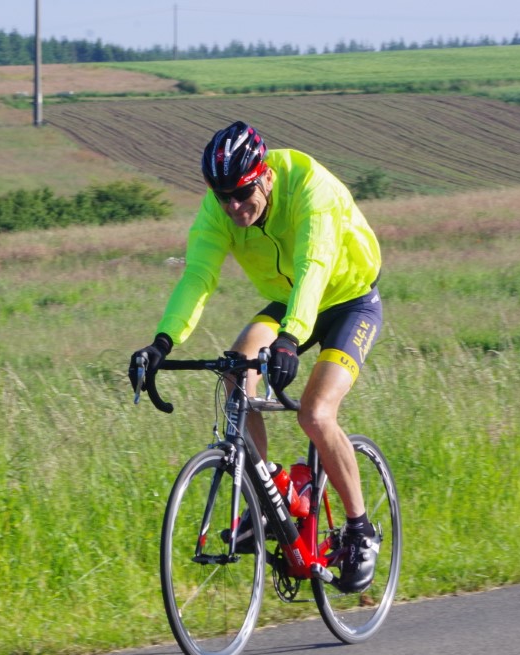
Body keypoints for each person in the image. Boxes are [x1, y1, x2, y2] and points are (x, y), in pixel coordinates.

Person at [129, 121, 383, 592]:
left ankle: (360, 529)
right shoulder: (219, 210)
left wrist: (290, 338)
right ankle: (267, 495)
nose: (232, 207)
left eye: (242, 194)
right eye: (222, 196)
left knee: (315, 412)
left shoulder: (310, 188)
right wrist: (162, 342)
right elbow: (197, 277)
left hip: (349, 300)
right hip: (289, 302)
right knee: (236, 368)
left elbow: (314, 267)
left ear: (265, 176)